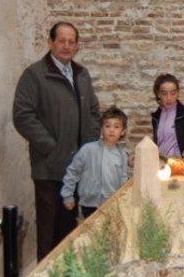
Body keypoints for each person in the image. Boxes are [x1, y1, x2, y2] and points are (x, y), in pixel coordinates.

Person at [13, 21, 100, 260]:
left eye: (71, 41)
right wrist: (52, 147)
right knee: (49, 233)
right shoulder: (35, 75)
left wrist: (89, 146)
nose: (66, 46)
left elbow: (93, 111)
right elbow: (23, 116)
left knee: (68, 230)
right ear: (50, 43)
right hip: (49, 168)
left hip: (76, 168)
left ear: (77, 46)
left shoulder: (82, 74)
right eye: (61, 40)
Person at [61, 106, 129, 218]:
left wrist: (121, 201)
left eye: (116, 127)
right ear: (101, 128)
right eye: (107, 126)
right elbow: (73, 172)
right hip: (89, 204)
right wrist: (67, 195)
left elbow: (123, 180)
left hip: (111, 204)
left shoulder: (122, 155)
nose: (111, 130)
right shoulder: (88, 150)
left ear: (123, 131)